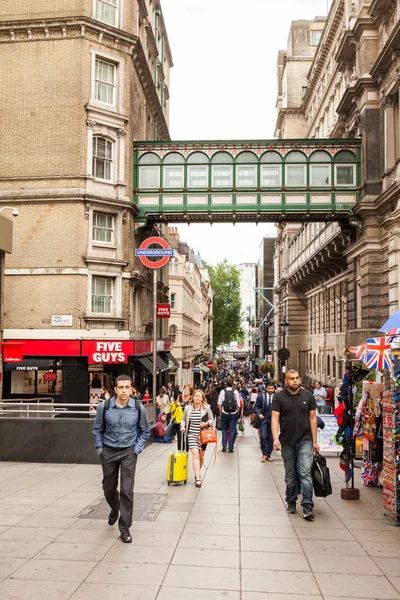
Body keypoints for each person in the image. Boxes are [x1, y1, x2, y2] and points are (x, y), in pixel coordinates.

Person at [92, 374, 150, 543]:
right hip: (108, 451)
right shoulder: (105, 407)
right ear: (115, 389)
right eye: (121, 387)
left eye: (127, 387)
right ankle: (115, 507)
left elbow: (145, 431)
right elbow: (97, 430)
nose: (124, 391)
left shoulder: (138, 408)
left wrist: (136, 449)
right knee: (108, 488)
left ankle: (124, 528)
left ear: (131, 389)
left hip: (128, 452)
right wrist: (100, 450)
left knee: (127, 490)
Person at [271, 369, 319, 521]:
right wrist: (275, 438)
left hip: (305, 440)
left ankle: (307, 505)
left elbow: (313, 419)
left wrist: (315, 441)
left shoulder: (308, 395)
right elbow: (274, 418)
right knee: (290, 475)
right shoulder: (279, 397)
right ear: (286, 381)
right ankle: (291, 501)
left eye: (297, 378)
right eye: (292, 379)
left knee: (305, 473)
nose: (295, 381)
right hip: (286, 441)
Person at [180, 389, 213, 487]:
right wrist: (183, 426)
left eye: (199, 396)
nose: (197, 398)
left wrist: (206, 423)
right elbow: (183, 419)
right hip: (191, 435)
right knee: (195, 455)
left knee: (201, 457)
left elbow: (212, 419)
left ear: (202, 398)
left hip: (203, 436)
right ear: (192, 397)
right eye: (196, 396)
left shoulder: (206, 408)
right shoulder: (187, 408)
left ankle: (197, 471)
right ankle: (198, 478)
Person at [218, 378, 241, 453]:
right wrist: (237, 412)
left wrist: (221, 412)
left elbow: (219, 403)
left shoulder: (222, 392)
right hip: (233, 413)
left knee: (224, 429)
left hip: (225, 413)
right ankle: (230, 447)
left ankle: (224, 445)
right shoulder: (235, 392)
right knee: (232, 430)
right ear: (232, 384)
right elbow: (238, 404)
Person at [255, 382, 275, 463]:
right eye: (269, 388)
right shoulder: (261, 397)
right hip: (264, 419)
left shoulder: (277, 397)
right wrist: (259, 414)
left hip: (273, 420)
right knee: (263, 436)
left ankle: (269, 455)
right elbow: (256, 407)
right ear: (266, 388)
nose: (270, 390)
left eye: (272, 388)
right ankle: (264, 454)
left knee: (271, 438)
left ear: (274, 389)